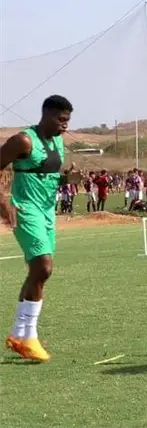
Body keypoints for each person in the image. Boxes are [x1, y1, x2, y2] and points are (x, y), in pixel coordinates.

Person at [0, 95, 73, 362]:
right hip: (25, 209)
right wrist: (3, 203)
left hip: (46, 212)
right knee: (44, 267)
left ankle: (18, 335)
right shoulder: (23, 140)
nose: (65, 125)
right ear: (46, 115)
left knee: (37, 271)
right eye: (61, 119)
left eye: (67, 120)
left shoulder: (57, 141)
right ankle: (29, 337)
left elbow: (45, 172)